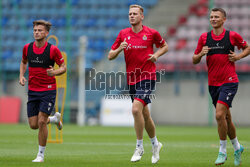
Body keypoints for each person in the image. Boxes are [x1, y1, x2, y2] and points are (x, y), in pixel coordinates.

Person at [108, 4, 168, 164]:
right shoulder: (123, 34)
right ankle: (156, 144)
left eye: (135, 14)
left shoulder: (151, 33)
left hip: (148, 77)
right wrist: (119, 49)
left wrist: (156, 55)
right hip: (132, 79)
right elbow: (110, 55)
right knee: (145, 114)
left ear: (142, 16)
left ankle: (139, 147)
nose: (132, 16)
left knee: (135, 110)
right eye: (130, 14)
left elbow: (165, 46)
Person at [193, 8, 250, 166]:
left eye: (216, 17)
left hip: (229, 81)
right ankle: (237, 147)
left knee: (219, 115)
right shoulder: (204, 37)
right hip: (213, 84)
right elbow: (194, 59)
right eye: (211, 17)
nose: (213, 19)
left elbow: (247, 47)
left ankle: (222, 151)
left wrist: (238, 56)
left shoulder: (232, 36)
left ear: (224, 19)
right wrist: (200, 55)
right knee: (226, 118)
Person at [19, 20, 67, 162]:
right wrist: (21, 75)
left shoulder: (53, 50)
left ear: (46, 33)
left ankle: (40, 155)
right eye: (35, 30)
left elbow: (63, 67)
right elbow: (23, 62)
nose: (36, 32)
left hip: (48, 90)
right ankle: (54, 119)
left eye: (40, 30)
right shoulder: (27, 48)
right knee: (33, 125)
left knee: (41, 122)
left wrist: (55, 72)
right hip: (33, 90)